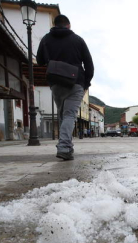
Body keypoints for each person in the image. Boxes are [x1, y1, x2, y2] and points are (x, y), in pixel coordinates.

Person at [36, 15, 94, 161]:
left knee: (63, 115)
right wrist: (86, 83)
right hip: (75, 82)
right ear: (68, 25)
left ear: (54, 24)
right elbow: (89, 64)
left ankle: (67, 146)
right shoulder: (78, 40)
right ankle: (64, 147)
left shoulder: (46, 39)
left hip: (56, 82)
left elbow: (40, 60)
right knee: (69, 115)